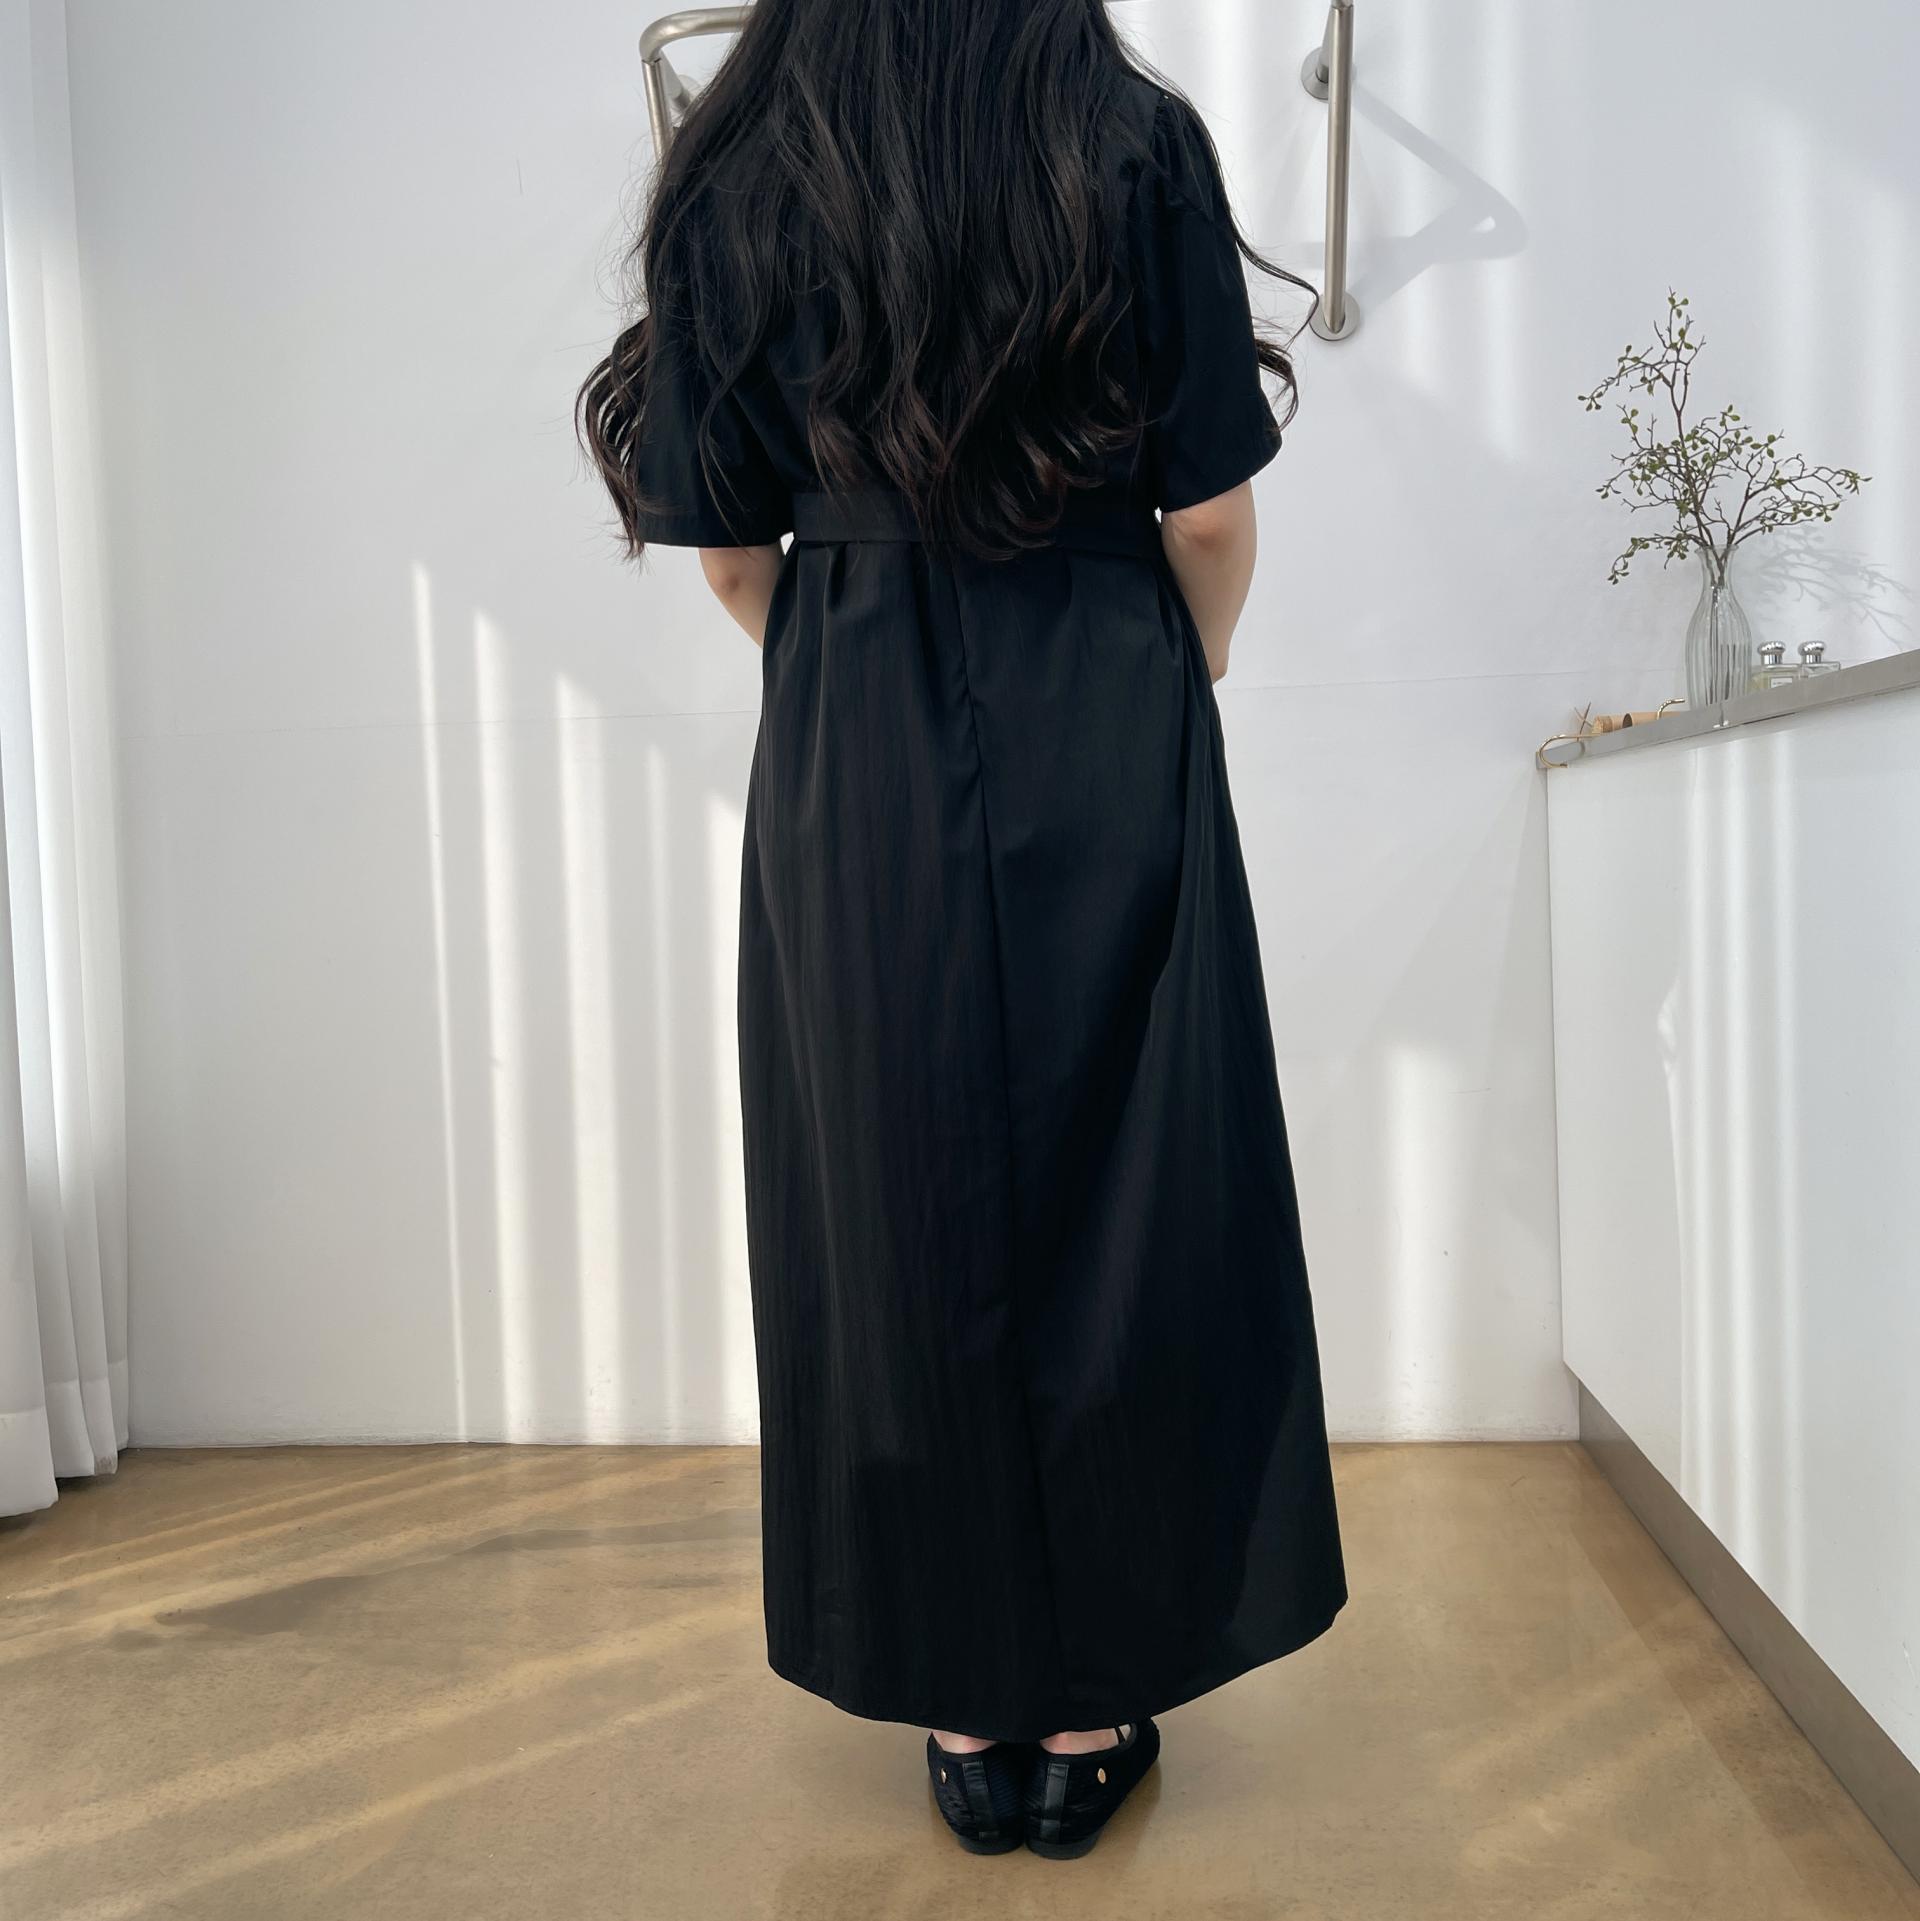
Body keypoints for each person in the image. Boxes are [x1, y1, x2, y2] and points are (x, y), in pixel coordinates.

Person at [578, 0, 1346, 1861]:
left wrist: (857, 667)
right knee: (1132, 1185)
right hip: (1108, 682)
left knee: (889, 1196)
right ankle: (1092, 1701)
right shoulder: (1128, 137)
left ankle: (959, 1696)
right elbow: (1210, 517)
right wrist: (1171, 679)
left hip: (854, 722)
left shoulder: (742, 162)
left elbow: (731, 550)